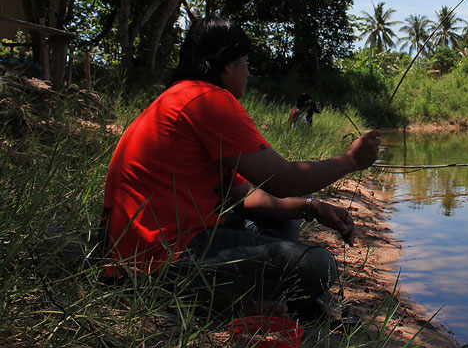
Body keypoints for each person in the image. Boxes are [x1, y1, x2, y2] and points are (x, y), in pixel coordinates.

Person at [103, 16, 380, 317]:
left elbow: (244, 195)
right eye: (245, 62)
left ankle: (256, 296)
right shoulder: (209, 100)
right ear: (227, 66)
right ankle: (235, 301)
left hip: (157, 245)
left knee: (288, 217)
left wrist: (312, 208)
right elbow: (284, 180)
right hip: (157, 260)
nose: (248, 72)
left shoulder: (182, 96)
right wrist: (351, 161)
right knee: (319, 266)